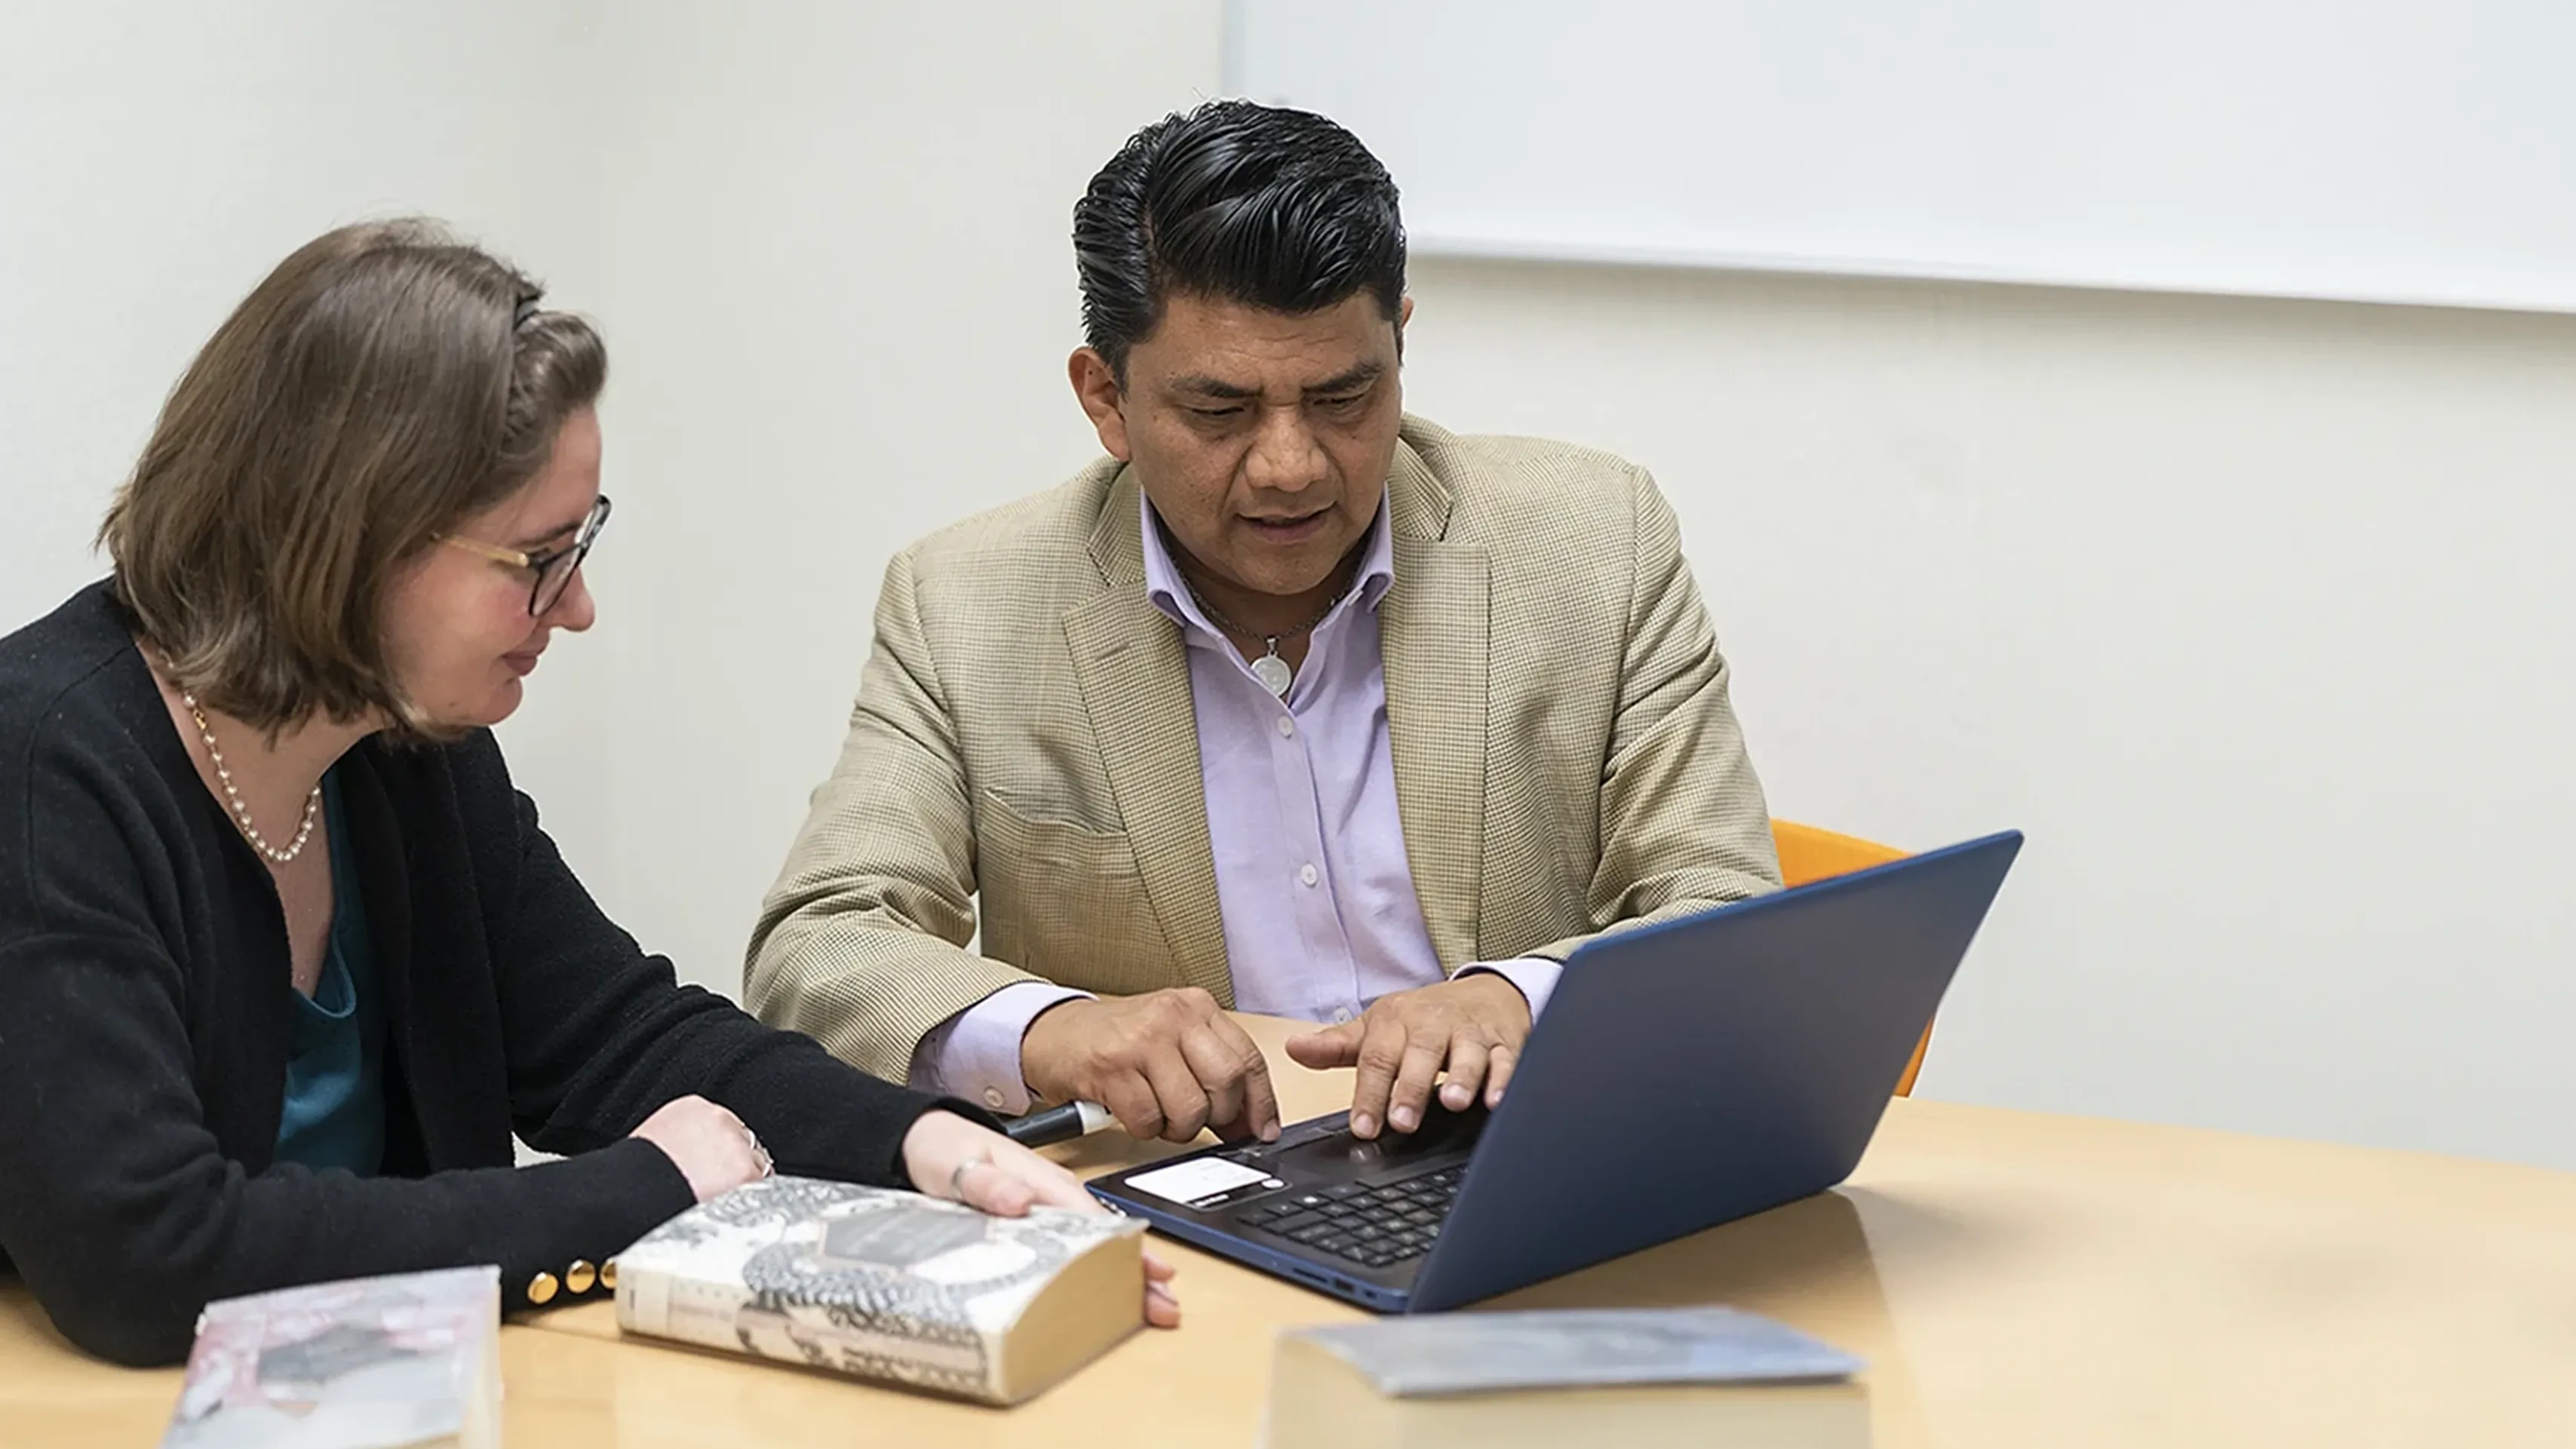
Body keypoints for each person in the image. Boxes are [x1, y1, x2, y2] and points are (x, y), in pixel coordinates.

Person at [0, 221, 1176, 1368]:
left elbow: (614, 1039)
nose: (576, 608)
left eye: (583, 542)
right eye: (538, 559)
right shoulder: (48, 764)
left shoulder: (405, 740)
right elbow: (145, 1258)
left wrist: (926, 1144)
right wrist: (645, 1188)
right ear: (354, 542)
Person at [747, 102, 1781, 1150]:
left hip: (1527, 1165)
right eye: (1219, 412)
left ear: (1399, 351)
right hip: (1181, 1201)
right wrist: (1056, 1031)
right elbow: (821, 945)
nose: (1290, 466)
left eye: (1341, 398)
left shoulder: (1592, 544)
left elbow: (1727, 906)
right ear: (1105, 398)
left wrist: (1518, 999)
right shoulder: (965, 605)